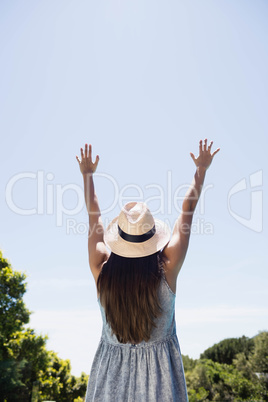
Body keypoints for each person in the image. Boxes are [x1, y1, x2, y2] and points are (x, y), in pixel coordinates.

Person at [76, 139, 220, 402]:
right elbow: (187, 211)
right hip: (160, 380)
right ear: (153, 237)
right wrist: (201, 170)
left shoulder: (101, 270)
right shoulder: (168, 268)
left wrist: (87, 175)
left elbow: (93, 215)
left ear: (118, 238)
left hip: (110, 378)